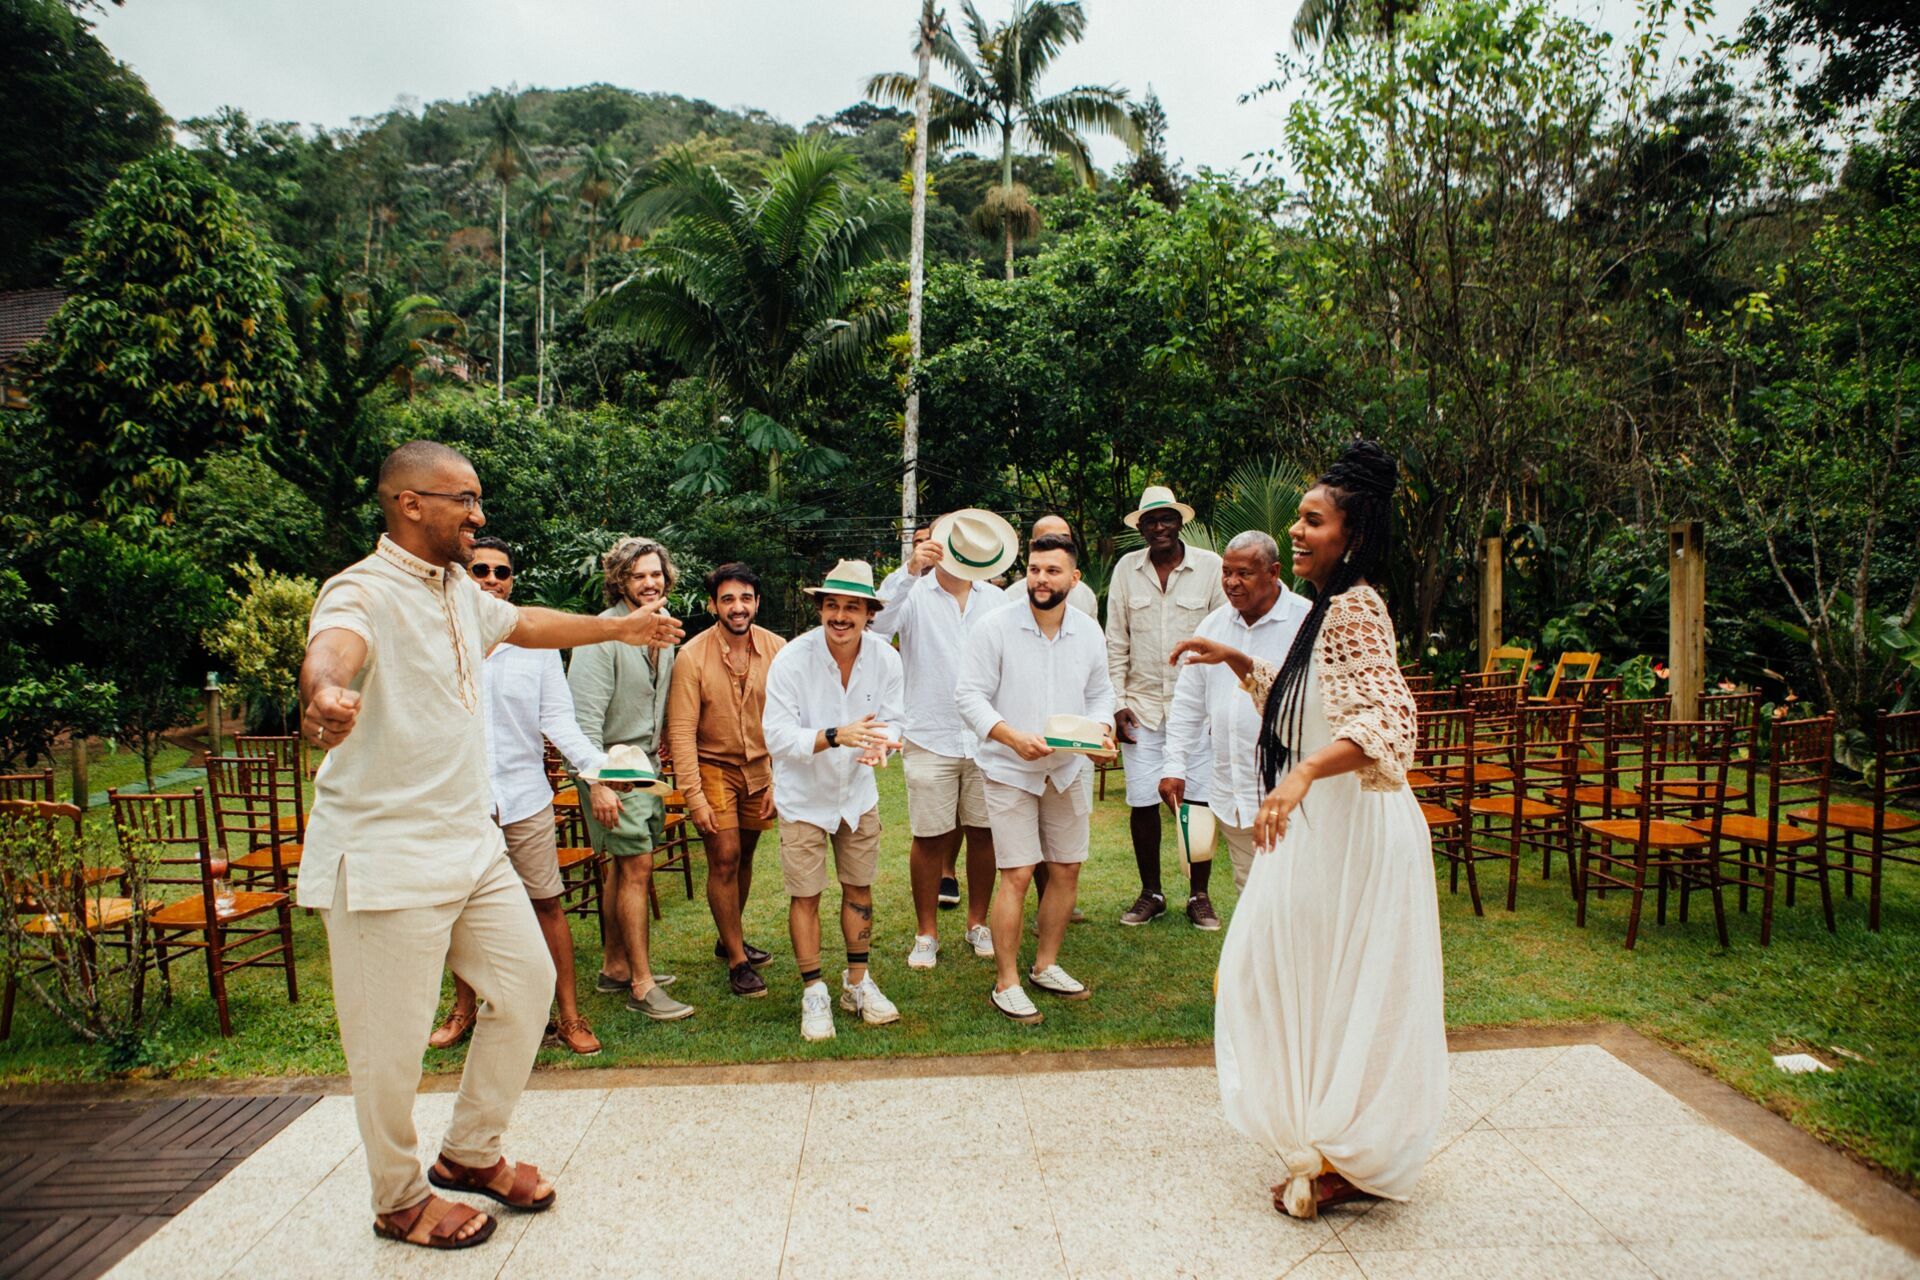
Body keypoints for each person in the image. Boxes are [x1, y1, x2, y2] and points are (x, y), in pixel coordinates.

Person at [299, 440, 682, 1250]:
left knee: (529, 985)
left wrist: (621, 627)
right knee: (389, 1048)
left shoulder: (458, 592)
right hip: (384, 855)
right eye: (464, 499)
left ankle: (470, 1153)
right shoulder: (361, 589)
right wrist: (325, 689)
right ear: (410, 504)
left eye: (478, 500)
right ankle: (398, 1198)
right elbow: (335, 644)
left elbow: (527, 622)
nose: (478, 515)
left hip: (469, 841)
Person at [1169, 441, 1446, 1221]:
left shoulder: (1355, 607)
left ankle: (1348, 1153)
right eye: (1298, 517)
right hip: (1323, 830)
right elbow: (1305, 708)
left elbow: (1389, 723)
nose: (1296, 530)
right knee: (1297, 979)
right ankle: (1331, 1138)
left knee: (1337, 987)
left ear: (1350, 536)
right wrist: (1234, 659)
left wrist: (1299, 778)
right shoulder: (1328, 607)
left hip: (1354, 832)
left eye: (1313, 520)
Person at [427, 536, 609, 1057]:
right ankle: (464, 1007)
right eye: (480, 570)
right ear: (462, 576)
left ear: (511, 582)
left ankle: (569, 1016)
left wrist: (597, 770)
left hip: (525, 797)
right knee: (460, 909)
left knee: (546, 903)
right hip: (461, 802)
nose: (491, 579)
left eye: (501, 572)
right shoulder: (440, 636)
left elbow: (559, 720)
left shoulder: (537, 644)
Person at [956, 534, 1116, 1023]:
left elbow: (1101, 693)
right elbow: (969, 696)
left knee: (1066, 869)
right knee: (1018, 873)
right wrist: (1011, 737)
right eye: (1034, 570)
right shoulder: (995, 627)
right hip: (1010, 768)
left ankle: (1045, 965)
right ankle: (1006, 982)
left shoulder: (1089, 631)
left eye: (1052, 571)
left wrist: (1101, 732)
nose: (1041, 579)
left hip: (1067, 769)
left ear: (1074, 578)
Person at [761, 559, 906, 1041]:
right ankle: (813, 991)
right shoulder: (792, 659)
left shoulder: (886, 659)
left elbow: (895, 719)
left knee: (859, 889)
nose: (840, 616)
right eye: (832, 606)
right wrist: (834, 735)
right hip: (804, 797)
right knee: (806, 894)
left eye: (852, 607)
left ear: (869, 613)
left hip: (857, 796)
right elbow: (776, 736)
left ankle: (857, 983)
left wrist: (883, 744)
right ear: (820, 608)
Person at [874, 510, 1013, 969]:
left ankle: (978, 923)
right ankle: (926, 932)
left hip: (986, 736)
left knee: (985, 834)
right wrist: (909, 570)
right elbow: (876, 629)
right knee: (929, 837)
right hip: (929, 732)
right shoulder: (913, 592)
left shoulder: (997, 600)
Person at [567, 536, 693, 1022]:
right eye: (638, 576)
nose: (649, 583)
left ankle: (615, 967)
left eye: (656, 574)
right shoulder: (602, 634)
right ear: (620, 581)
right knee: (638, 866)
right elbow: (581, 721)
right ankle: (642, 985)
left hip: (646, 770)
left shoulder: (663, 629)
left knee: (624, 869)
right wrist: (596, 783)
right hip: (608, 772)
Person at [1159, 531, 1311, 903]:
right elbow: (1188, 704)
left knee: (1296, 894)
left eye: (1244, 573)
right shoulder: (1212, 626)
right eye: (1226, 572)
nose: (1231, 582)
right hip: (1233, 791)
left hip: (1293, 792)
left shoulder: (1306, 621)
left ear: (1273, 572)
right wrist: (1174, 765)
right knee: (1249, 892)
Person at [1106, 486, 1227, 927]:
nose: (1159, 527)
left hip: (1196, 711)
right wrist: (1117, 703)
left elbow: (1225, 638)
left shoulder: (1210, 568)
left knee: (1197, 802)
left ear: (1180, 523)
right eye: (1150, 521)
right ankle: (1151, 893)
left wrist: (1218, 707)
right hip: (1142, 708)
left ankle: (1199, 896)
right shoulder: (1126, 569)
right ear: (1141, 527)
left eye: (1166, 519)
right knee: (1142, 801)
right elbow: (1115, 642)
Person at [664, 562, 785, 999]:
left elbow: (789, 719)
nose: (738, 607)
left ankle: (728, 935)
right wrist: (694, 798)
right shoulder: (691, 656)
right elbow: (681, 732)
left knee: (745, 855)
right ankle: (737, 960)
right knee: (725, 857)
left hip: (760, 768)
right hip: (712, 765)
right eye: (728, 599)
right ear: (713, 605)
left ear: (757, 602)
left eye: (745, 598)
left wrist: (779, 780)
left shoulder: (777, 649)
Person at [1001, 514, 1099, 618]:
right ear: (1032, 545)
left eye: (1064, 538)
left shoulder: (1085, 595)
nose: (1058, 544)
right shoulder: (1010, 598)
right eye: (1048, 539)